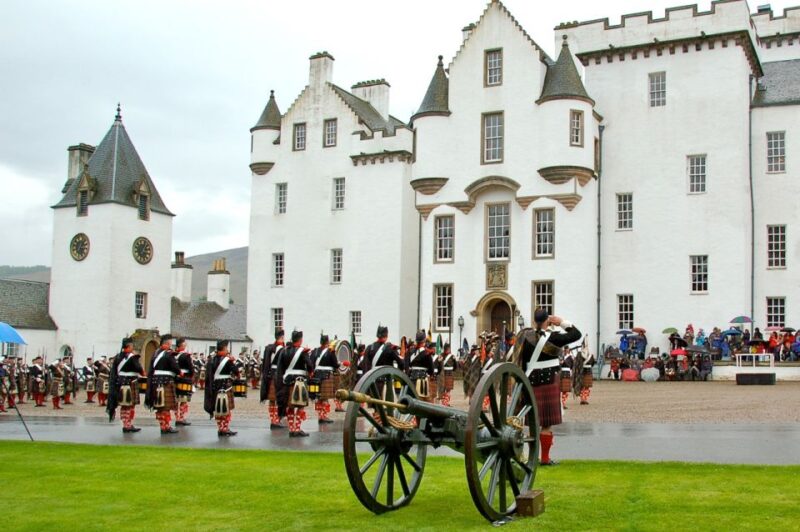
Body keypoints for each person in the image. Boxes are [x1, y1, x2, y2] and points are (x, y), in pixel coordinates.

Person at [513, 308, 581, 466]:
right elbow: (576, 334)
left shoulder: (525, 336)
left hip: (530, 382)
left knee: (532, 423)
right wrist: (562, 322)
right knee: (546, 424)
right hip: (549, 381)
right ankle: (544, 458)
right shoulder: (553, 337)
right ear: (547, 321)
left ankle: (532, 457)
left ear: (534, 321)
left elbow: (519, 359)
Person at [275, 330, 312, 437]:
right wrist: (310, 372)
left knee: (290, 407)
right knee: (300, 406)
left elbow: (280, 368)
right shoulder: (303, 352)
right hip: (299, 382)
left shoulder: (284, 351)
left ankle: (291, 429)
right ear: (300, 340)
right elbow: (309, 365)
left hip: (287, 382)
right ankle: (297, 428)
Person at [106, 338, 144, 433]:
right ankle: (128, 425)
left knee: (124, 405)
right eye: (131, 346)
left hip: (120, 383)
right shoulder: (132, 357)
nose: (132, 348)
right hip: (130, 383)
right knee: (129, 406)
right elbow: (139, 368)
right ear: (128, 347)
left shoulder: (118, 357)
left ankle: (126, 424)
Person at [204, 340, 238, 437]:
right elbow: (236, 372)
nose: (227, 350)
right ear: (224, 349)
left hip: (215, 388)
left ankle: (220, 428)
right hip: (226, 387)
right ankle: (225, 428)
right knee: (226, 410)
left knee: (218, 410)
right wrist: (232, 361)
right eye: (226, 348)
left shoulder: (211, 360)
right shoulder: (228, 360)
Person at [260, 329, 286, 429]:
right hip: (279, 375)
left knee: (272, 400)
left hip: (271, 375)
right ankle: (276, 421)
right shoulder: (283, 348)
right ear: (282, 337)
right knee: (279, 399)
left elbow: (266, 364)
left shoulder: (269, 348)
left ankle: (273, 420)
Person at [311, 334, 337, 424]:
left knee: (319, 397)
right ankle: (324, 416)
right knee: (325, 398)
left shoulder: (315, 351)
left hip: (317, 375)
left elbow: (311, 363)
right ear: (327, 342)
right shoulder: (330, 352)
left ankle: (320, 415)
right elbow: (335, 364)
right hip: (327, 376)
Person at [405, 331, 434, 402]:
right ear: (424, 340)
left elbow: (406, 365)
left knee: (411, 399)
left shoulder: (410, 351)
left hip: (411, 379)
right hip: (422, 380)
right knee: (423, 401)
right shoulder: (426, 352)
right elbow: (431, 370)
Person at [174, 338, 194, 426]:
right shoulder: (186, 356)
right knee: (183, 400)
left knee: (176, 400)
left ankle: (177, 417)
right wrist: (191, 376)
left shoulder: (172, 355)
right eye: (184, 344)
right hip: (184, 378)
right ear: (181, 345)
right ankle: (181, 418)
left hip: (174, 378)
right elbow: (191, 368)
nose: (185, 345)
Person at [576, 336, 595, 405]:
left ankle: (583, 398)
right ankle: (583, 398)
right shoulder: (590, 355)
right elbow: (593, 363)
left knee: (585, 386)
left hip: (583, 371)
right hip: (587, 371)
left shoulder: (580, 355)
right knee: (584, 386)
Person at [436, 343, 457, 407]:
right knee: (443, 388)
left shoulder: (452, 356)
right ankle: (444, 402)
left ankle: (446, 402)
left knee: (448, 389)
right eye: (448, 349)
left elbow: (455, 367)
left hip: (450, 374)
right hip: (443, 374)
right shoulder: (441, 355)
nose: (449, 350)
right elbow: (438, 365)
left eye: (449, 349)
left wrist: (454, 360)